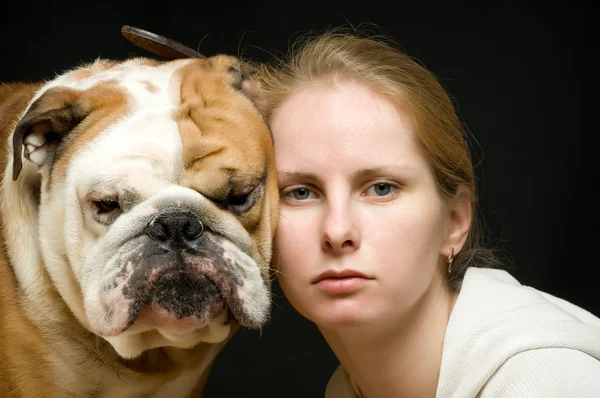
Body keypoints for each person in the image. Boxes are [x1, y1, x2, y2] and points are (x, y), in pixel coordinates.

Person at [252, 28, 600, 397]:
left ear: (454, 222)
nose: (337, 231)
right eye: (301, 193)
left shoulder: (545, 380)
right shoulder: (348, 390)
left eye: (381, 188)